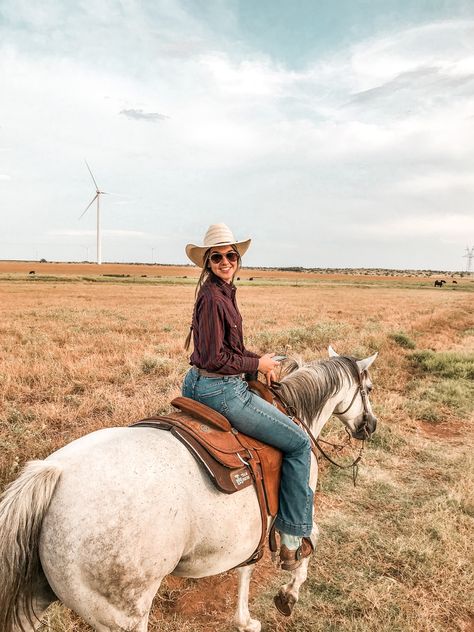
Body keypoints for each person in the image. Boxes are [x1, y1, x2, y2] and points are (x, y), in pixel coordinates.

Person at [182, 223, 313, 570]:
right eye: (217, 257)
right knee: (299, 444)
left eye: (230, 255)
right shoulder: (213, 298)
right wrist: (257, 362)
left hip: (198, 383)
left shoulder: (223, 292)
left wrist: (260, 363)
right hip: (221, 391)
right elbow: (216, 358)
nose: (225, 261)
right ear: (208, 262)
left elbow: (231, 349)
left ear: (237, 258)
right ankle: (291, 538)